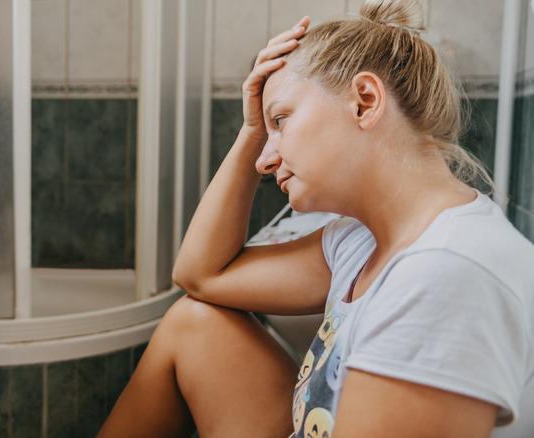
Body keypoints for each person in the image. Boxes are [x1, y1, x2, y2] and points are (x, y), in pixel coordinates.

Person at [97, 0, 534, 436]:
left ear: (364, 101)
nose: (264, 162)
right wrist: (253, 130)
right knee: (193, 323)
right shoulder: (360, 239)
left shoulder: (444, 275)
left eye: (281, 120)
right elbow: (200, 276)